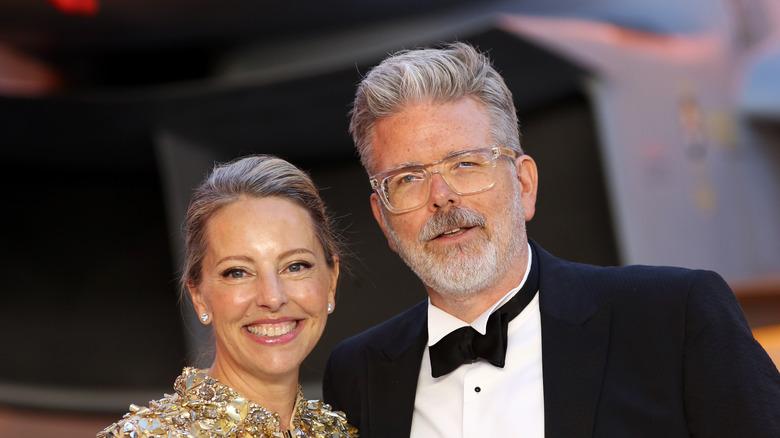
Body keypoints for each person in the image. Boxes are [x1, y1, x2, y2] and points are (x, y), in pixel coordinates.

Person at [322, 42, 780, 437]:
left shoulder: (675, 318)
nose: (441, 197)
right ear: (383, 220)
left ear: (523, 184)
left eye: (466, 164)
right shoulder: (356, 375)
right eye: (408, 179)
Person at [98, 155, 358, 438]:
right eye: (238, 272)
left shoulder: (343, 432)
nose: (272, 297)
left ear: (331, 281)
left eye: (295, 266)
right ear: (198, 296)